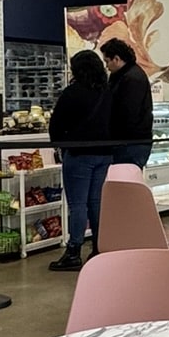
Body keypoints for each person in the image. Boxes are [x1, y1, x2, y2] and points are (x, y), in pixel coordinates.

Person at [46, 49, 111, 272]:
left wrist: (60, 144)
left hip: (79, 154)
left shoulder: (72, 93)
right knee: (95, 202)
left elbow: (56, 125)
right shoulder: (107, 92)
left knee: (77, 204)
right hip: (105, 153)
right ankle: (99, 247)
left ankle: (74, 251)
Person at [102, 36, 154, 168]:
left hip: (130, 144)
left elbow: (128, 113)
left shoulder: (131, 79)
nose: (106, 66)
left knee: (125, 183)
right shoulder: (126, 75)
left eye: (107, 61)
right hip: (130, 142)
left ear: (117, 59)